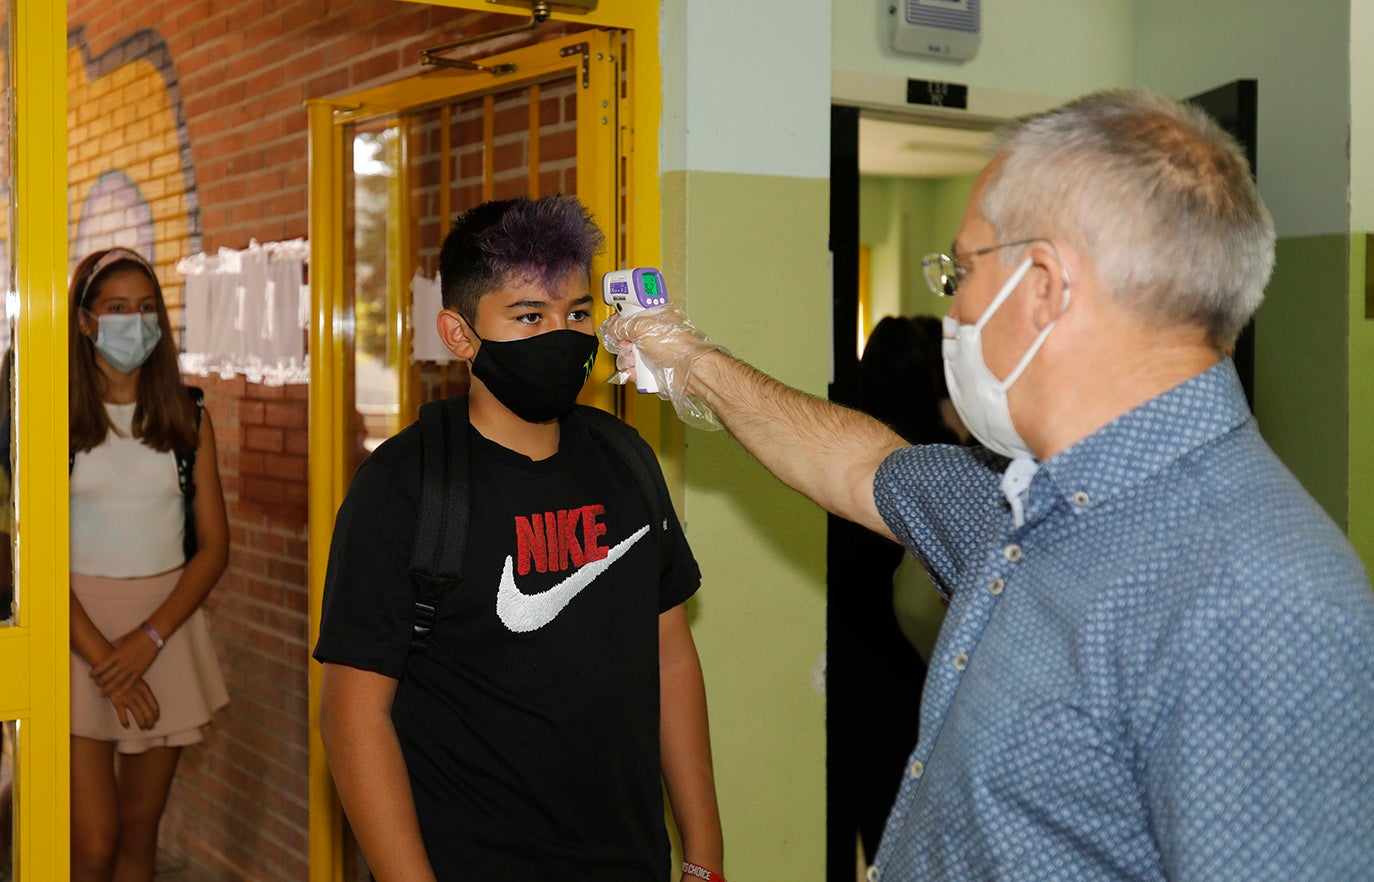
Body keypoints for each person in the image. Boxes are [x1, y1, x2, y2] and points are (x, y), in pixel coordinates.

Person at [602, 89, 1374, 881]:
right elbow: (862, 465)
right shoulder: (1034, 506)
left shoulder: (1251, 595)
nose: (954, 305)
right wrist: (689, 363)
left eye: (960, 270)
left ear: (1043, 284)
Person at [314, 195, 724, 882]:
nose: (562, 337)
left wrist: (704, 857)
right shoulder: (404, 486)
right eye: (530, 316)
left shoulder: (626, 459)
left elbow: (671, 658)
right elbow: (353, 719)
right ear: (460, 334)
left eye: (578, 314)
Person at [67, 247, 230, 882]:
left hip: (164, 632)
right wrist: (106, 658)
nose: (133, 322)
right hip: (77, 633)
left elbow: (215, 547)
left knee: (140, 834)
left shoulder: (188, 418)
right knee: (94, 842)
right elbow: (39, 557)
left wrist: (148, 638)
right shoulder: (52, 420)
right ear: (85, 321)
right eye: (115, 309)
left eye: (145, 308)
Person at [836, 316, 954, 867]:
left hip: (853, 660)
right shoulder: (944, 458)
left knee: (867, 808)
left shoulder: (849, 457)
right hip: (916, 668)